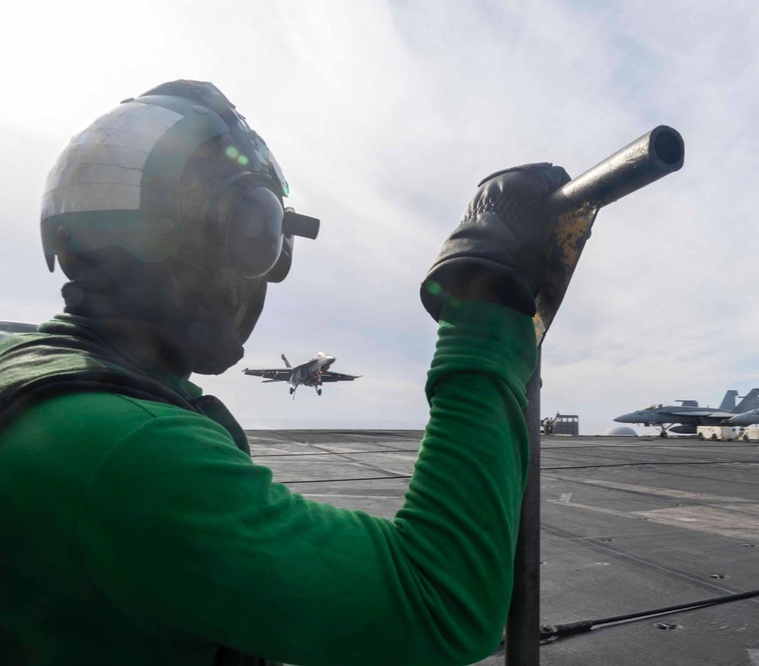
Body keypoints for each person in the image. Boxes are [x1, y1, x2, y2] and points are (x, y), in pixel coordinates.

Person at [0, 80, 570, 665]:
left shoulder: (28, 372)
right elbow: (439, 602)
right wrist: (485, 303)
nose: (267, 279)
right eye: (261, 234)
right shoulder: (130, 449)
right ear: (212, 232)